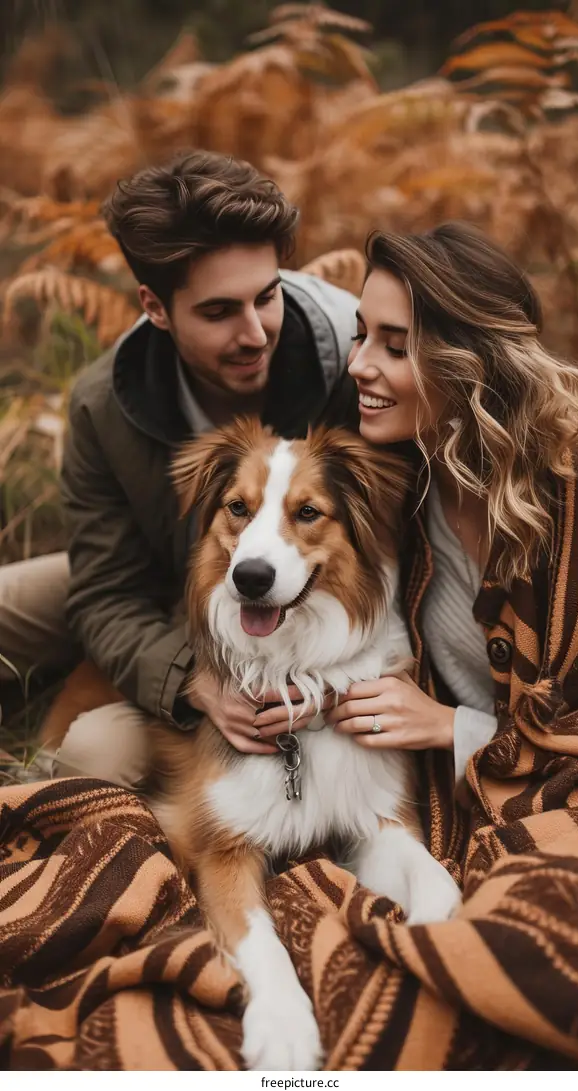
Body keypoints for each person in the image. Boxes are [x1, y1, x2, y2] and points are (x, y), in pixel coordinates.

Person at [259, 220, 578, 1064]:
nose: (362, 366)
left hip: (552, 791)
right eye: (361, 336)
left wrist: (451, 726)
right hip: (441, 800)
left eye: (395, 345)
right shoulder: (400, 482)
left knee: (541, 924)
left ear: (467, 362)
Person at [0, 150, 359, 785]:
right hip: (162, 581)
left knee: (93, 757)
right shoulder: (104, 404)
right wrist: (192, 679)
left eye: (267, 297)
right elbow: (104, 591)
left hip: (295, 603)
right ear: (155, 307)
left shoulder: (356, 364)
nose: (254, 333)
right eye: (219, 312)